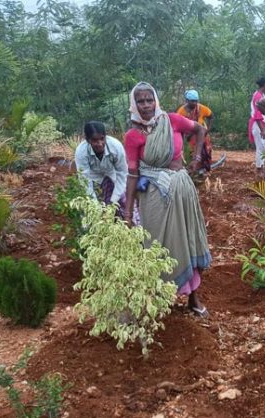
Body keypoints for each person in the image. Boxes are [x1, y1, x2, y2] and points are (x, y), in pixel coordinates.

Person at [123, 82, 212, 317]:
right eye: (140, 101)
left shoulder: (171, 120)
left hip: (182, 189)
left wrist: (197, 158)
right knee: (157, 246)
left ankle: (193, 299)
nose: (145, 105)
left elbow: (200, 130)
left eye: (149, 100)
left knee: (189, 239)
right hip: (154, 195)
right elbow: (132, 173)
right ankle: (157, 300)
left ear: (156, 101)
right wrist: (127, 213)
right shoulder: (132, 136)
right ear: (134, 104)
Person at [74, 121, 138, 223]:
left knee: (124, 204)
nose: (99, 144)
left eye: (102, 139)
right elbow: (85, 180)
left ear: (105, 136)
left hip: (114, 176)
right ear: (87, 140)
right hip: (95, 179)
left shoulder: (115, 146)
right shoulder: (81, 152)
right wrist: (95, 206)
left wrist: (113, 202)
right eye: (94, 140)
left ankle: (132, 228)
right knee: (94, 212)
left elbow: (122, 173)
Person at [176, 89, 214, 173]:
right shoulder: (181, 111)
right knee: (192, 151)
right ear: (187, 101)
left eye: (196, 101)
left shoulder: (201, 108)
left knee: (206, 150)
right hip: (189, 135)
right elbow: (178, 126)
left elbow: (211, 116)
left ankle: (206, 167)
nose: (194, 103)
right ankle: (194, 168)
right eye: (192, 101)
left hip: (203, 133)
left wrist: (208, 130)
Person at [248, 77, 265, 176]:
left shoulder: (261, 95)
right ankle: (259, 169)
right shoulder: (258, 96)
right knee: (261, 146)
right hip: (258, 124)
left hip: (260, 123)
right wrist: (262, 129)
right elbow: (257, 114)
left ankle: (261, 167)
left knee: (263, 145)